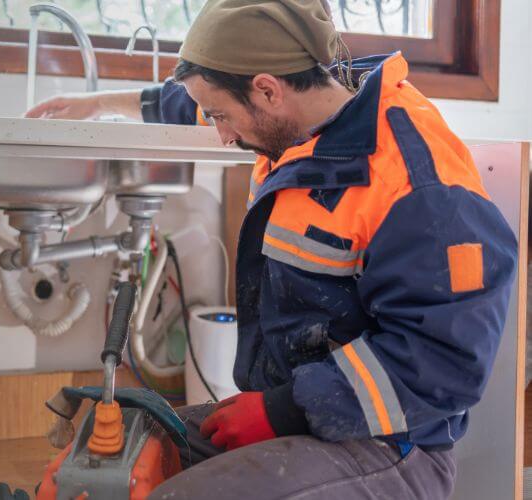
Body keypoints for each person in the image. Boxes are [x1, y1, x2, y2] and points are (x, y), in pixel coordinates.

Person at [28, 1, 517, 498]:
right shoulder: (305, 109)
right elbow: (200, 100)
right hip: (305, 413)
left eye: (221, 117)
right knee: (114, 457)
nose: (220, 134)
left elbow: (443, 365)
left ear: (267, 89)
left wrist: (279, 412)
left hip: (394, 448)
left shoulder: (418, 188)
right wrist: (98, 104)